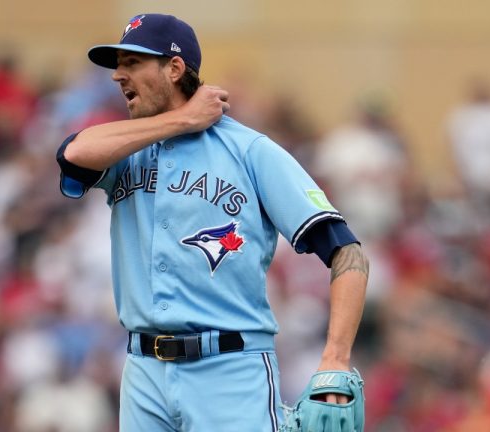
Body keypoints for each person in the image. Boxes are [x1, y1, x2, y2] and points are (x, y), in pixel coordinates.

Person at [56, 13, 368, 431]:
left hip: (230, 371)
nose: (117, 75)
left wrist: (335, 357)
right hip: (143, 372)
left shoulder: (251, 151)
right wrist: (182, 119)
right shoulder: (127, 146)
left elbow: (347, 252)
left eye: (132, 62)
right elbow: (72, 154)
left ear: (174, 67)